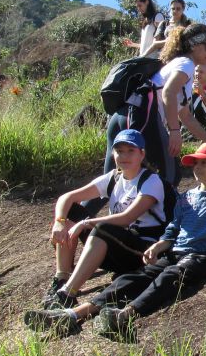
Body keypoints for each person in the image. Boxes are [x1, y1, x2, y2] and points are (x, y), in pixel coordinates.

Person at [25, 141, 206, 341]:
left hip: (203, 255)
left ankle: (123, 315)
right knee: (132, 278)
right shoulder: (186, 197)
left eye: (204, 163)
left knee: (170, 277)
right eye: (195, 163)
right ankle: (72, 314)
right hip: (175, 251)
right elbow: (173, 230)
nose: (197, 168)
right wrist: (157, 247)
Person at [27, 128, 173, 319]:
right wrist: (60, 222)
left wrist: (85, 224)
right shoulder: (114, 177)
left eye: (131, 151)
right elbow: (67, 197)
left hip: (144, 250)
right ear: (113, 154)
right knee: (71, 212)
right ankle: (61, 278)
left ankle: (67, 294)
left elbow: (126, 218)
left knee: (102, 228)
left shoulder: (151, 180)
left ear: (142, 154)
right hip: (116, 245)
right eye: (119, 151)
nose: (124, 156)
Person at [157, 23, 206, 183]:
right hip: (147, 121)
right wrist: (174, 131)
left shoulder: (181, 64)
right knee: (170, 177)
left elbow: (185, 116)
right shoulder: (186, 64)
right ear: (194, 45)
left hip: (134, 117)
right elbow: (168, 92)